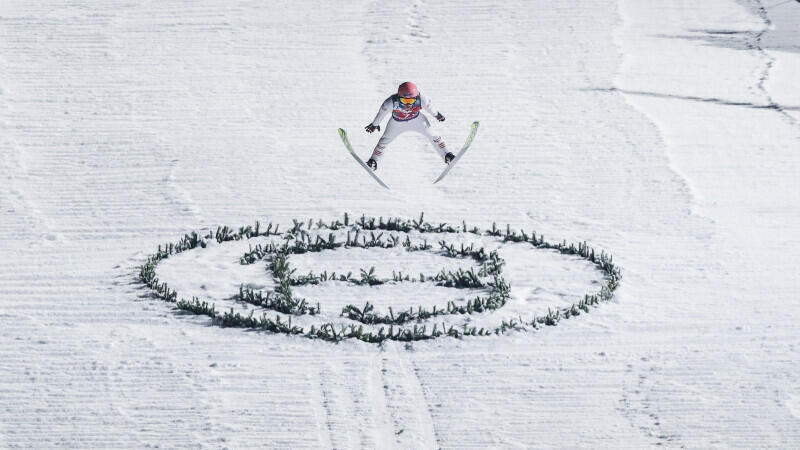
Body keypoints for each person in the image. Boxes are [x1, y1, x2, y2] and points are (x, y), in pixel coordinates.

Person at [364, 82, 454, 171]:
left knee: (434, 136)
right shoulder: (390, 102)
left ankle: (447, 155)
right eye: (404, 100)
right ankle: (373, 161)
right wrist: (374, 124)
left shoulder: (421, 99)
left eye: (411, 101)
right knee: (384, 141)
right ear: (398, 97)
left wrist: (437, 115)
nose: (408, 104)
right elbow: (381, 114)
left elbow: (430, 108)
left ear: (416, 97)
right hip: (397, 123)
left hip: (417, 120)